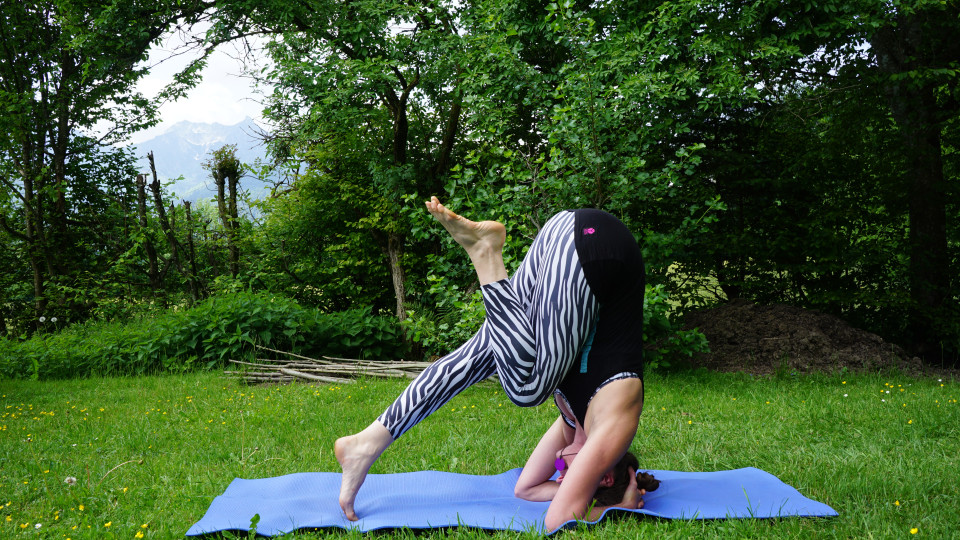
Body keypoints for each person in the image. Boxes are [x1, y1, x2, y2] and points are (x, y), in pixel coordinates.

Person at [335, 197, 651, 530]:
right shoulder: (614, 424)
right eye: (566, 472)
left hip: (564, 235)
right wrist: (621, 507)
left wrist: (567, 483)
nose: (559, 464)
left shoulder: (575, 422)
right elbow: (558, 519)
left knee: (482, 354)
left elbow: (525, 488)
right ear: (603, 477)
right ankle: (486, 253)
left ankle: (367, 442)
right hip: (598, 250)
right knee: (528, 390)